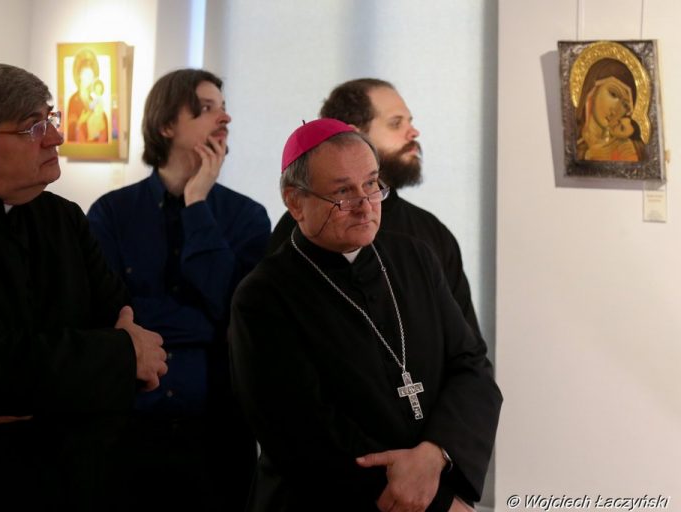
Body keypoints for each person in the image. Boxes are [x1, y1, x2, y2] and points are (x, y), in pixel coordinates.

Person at [0, 63, 168, 512]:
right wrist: (115, 358)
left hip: (73, 474)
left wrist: (27, 387)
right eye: (33, 127)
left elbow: (127, 329)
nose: (56, 137)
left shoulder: (63, 217)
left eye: (50, 118)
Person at [230, 119, 502, 512]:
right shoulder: (263, 296)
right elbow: (303, 434)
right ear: (295, 201)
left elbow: (471, 365)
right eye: (342, 192)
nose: (365, 205)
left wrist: (435, 454)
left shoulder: (416, 258)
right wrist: (437, 503)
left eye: (372, 184)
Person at [87, 68, 270, 511]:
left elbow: (234, 310)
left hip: (217, 428)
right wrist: (202, 328)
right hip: (129, 426)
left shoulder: (248, 217)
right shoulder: (111, 213)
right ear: (167, 125)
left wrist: (197, 204)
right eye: (206, 109)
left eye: (224, 108)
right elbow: (103, 315)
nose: (224, 118)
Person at [268, 78, 481, 336]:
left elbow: (466, 344)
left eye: (410, 121)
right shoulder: (301, 230)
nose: (413, 132)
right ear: (352, 135)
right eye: (396, 123)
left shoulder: (432, 231)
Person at [575, 58, 644, 162]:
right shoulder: (575, 144)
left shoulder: (626, 150)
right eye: (613, 94)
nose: (616, 110)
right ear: (593, 90)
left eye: (625, 105)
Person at [66, 48, 109, 143]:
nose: (88, 78)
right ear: (79, 75)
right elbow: (70, 129)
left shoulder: (93, 100)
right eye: (85, 74)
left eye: (90, 75)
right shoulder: (74, 100)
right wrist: (81, 121)